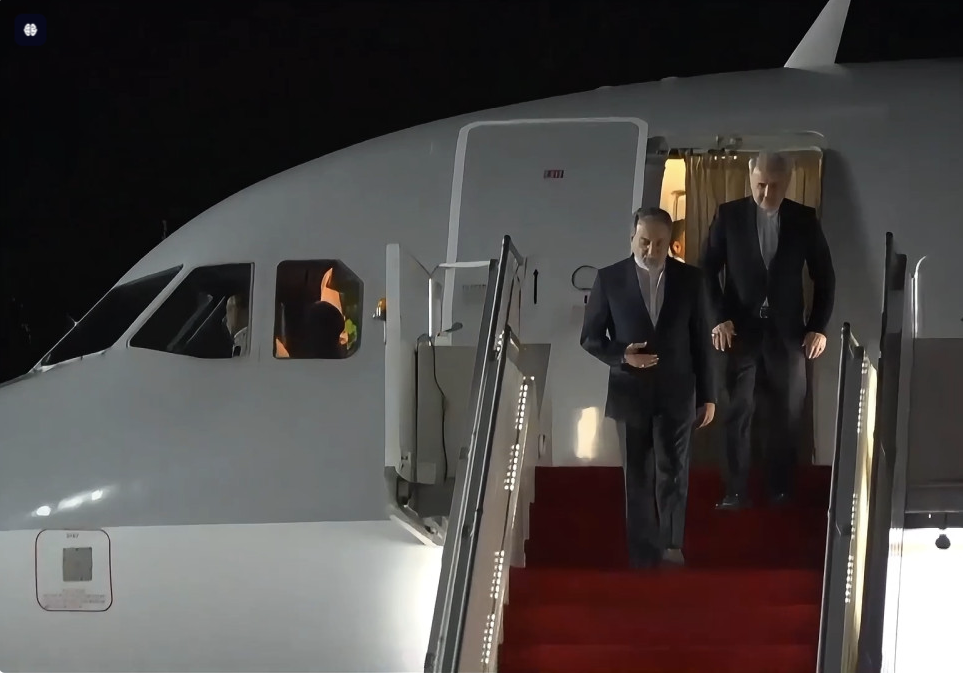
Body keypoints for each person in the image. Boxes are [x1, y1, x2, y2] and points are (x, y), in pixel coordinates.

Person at [580, 206, 716, 567]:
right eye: (644, 241)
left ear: (669, 242)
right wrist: (623, 356)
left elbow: (701, 340)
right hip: (629, 392)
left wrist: (709, 395)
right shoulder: (609, 279)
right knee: (637, 476)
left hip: (678, 392)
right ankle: (642, 553)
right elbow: (590, 337)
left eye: (659, 243)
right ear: (631, 238)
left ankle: (671, 544)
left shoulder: (691, 280)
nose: (651, 249)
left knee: (674, 471)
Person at [700, 152, 835, 509]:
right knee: (736, 412)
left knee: (787, 414)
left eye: (774, 186)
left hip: (788, 334)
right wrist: (717, 317)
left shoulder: (804, 219)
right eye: (760, 185)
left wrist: (818, 327)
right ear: (750, 178)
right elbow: (707, 269)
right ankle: (735, 490)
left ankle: (781, 488)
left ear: (788, 182)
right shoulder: (729, 216)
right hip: (738, 332)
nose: (765, 193)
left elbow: (825, 277)